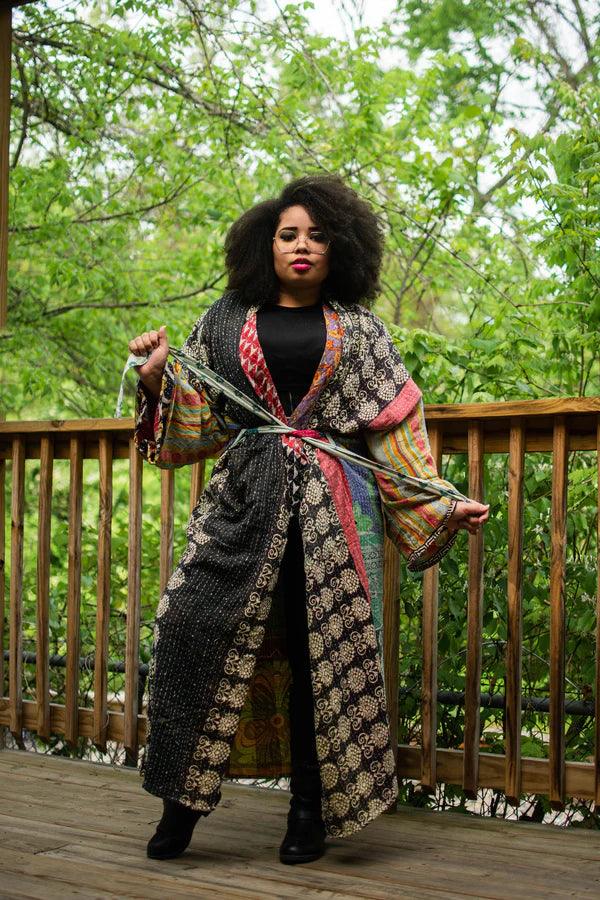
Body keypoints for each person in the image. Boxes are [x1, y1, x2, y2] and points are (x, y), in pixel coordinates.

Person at [127, 173, 489, 864]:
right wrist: (155, 375)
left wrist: (441, 501)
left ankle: (308, 811)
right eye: (288, 234)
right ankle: (180, 804)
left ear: (340, 248)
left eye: (317, 236)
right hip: (244, 501)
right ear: (264, 245)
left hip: (334, 510)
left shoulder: (361, 331)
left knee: (318, 654)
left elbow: (394, 429)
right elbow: (198, 420)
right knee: (191, 625)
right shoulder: (224, 320)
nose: (301, 246)